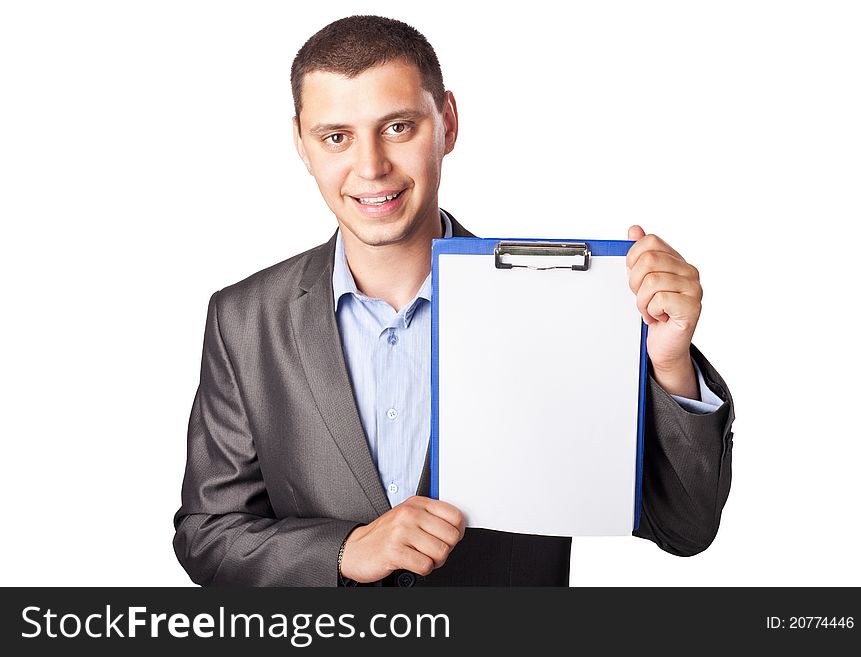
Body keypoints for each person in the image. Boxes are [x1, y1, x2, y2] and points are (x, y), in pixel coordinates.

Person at [173, 15, 735, 587]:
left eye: (397, 127)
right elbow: (207, 534)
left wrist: (669, 364)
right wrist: (343, 551)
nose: (370, 167)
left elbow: (687, 528)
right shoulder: (242, 321)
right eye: (336, 136)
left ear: (447, 123)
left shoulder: (563, 306)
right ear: (301, 143)